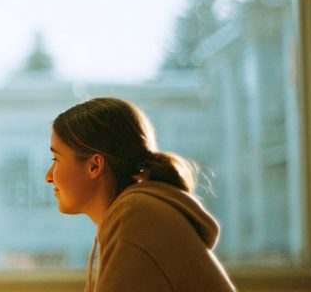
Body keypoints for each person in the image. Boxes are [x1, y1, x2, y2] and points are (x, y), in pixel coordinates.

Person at [45, 97, 234, 292]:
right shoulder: (133, 212)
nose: (48, 176)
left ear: (94, 166)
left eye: (56, 159)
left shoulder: (134, 215)